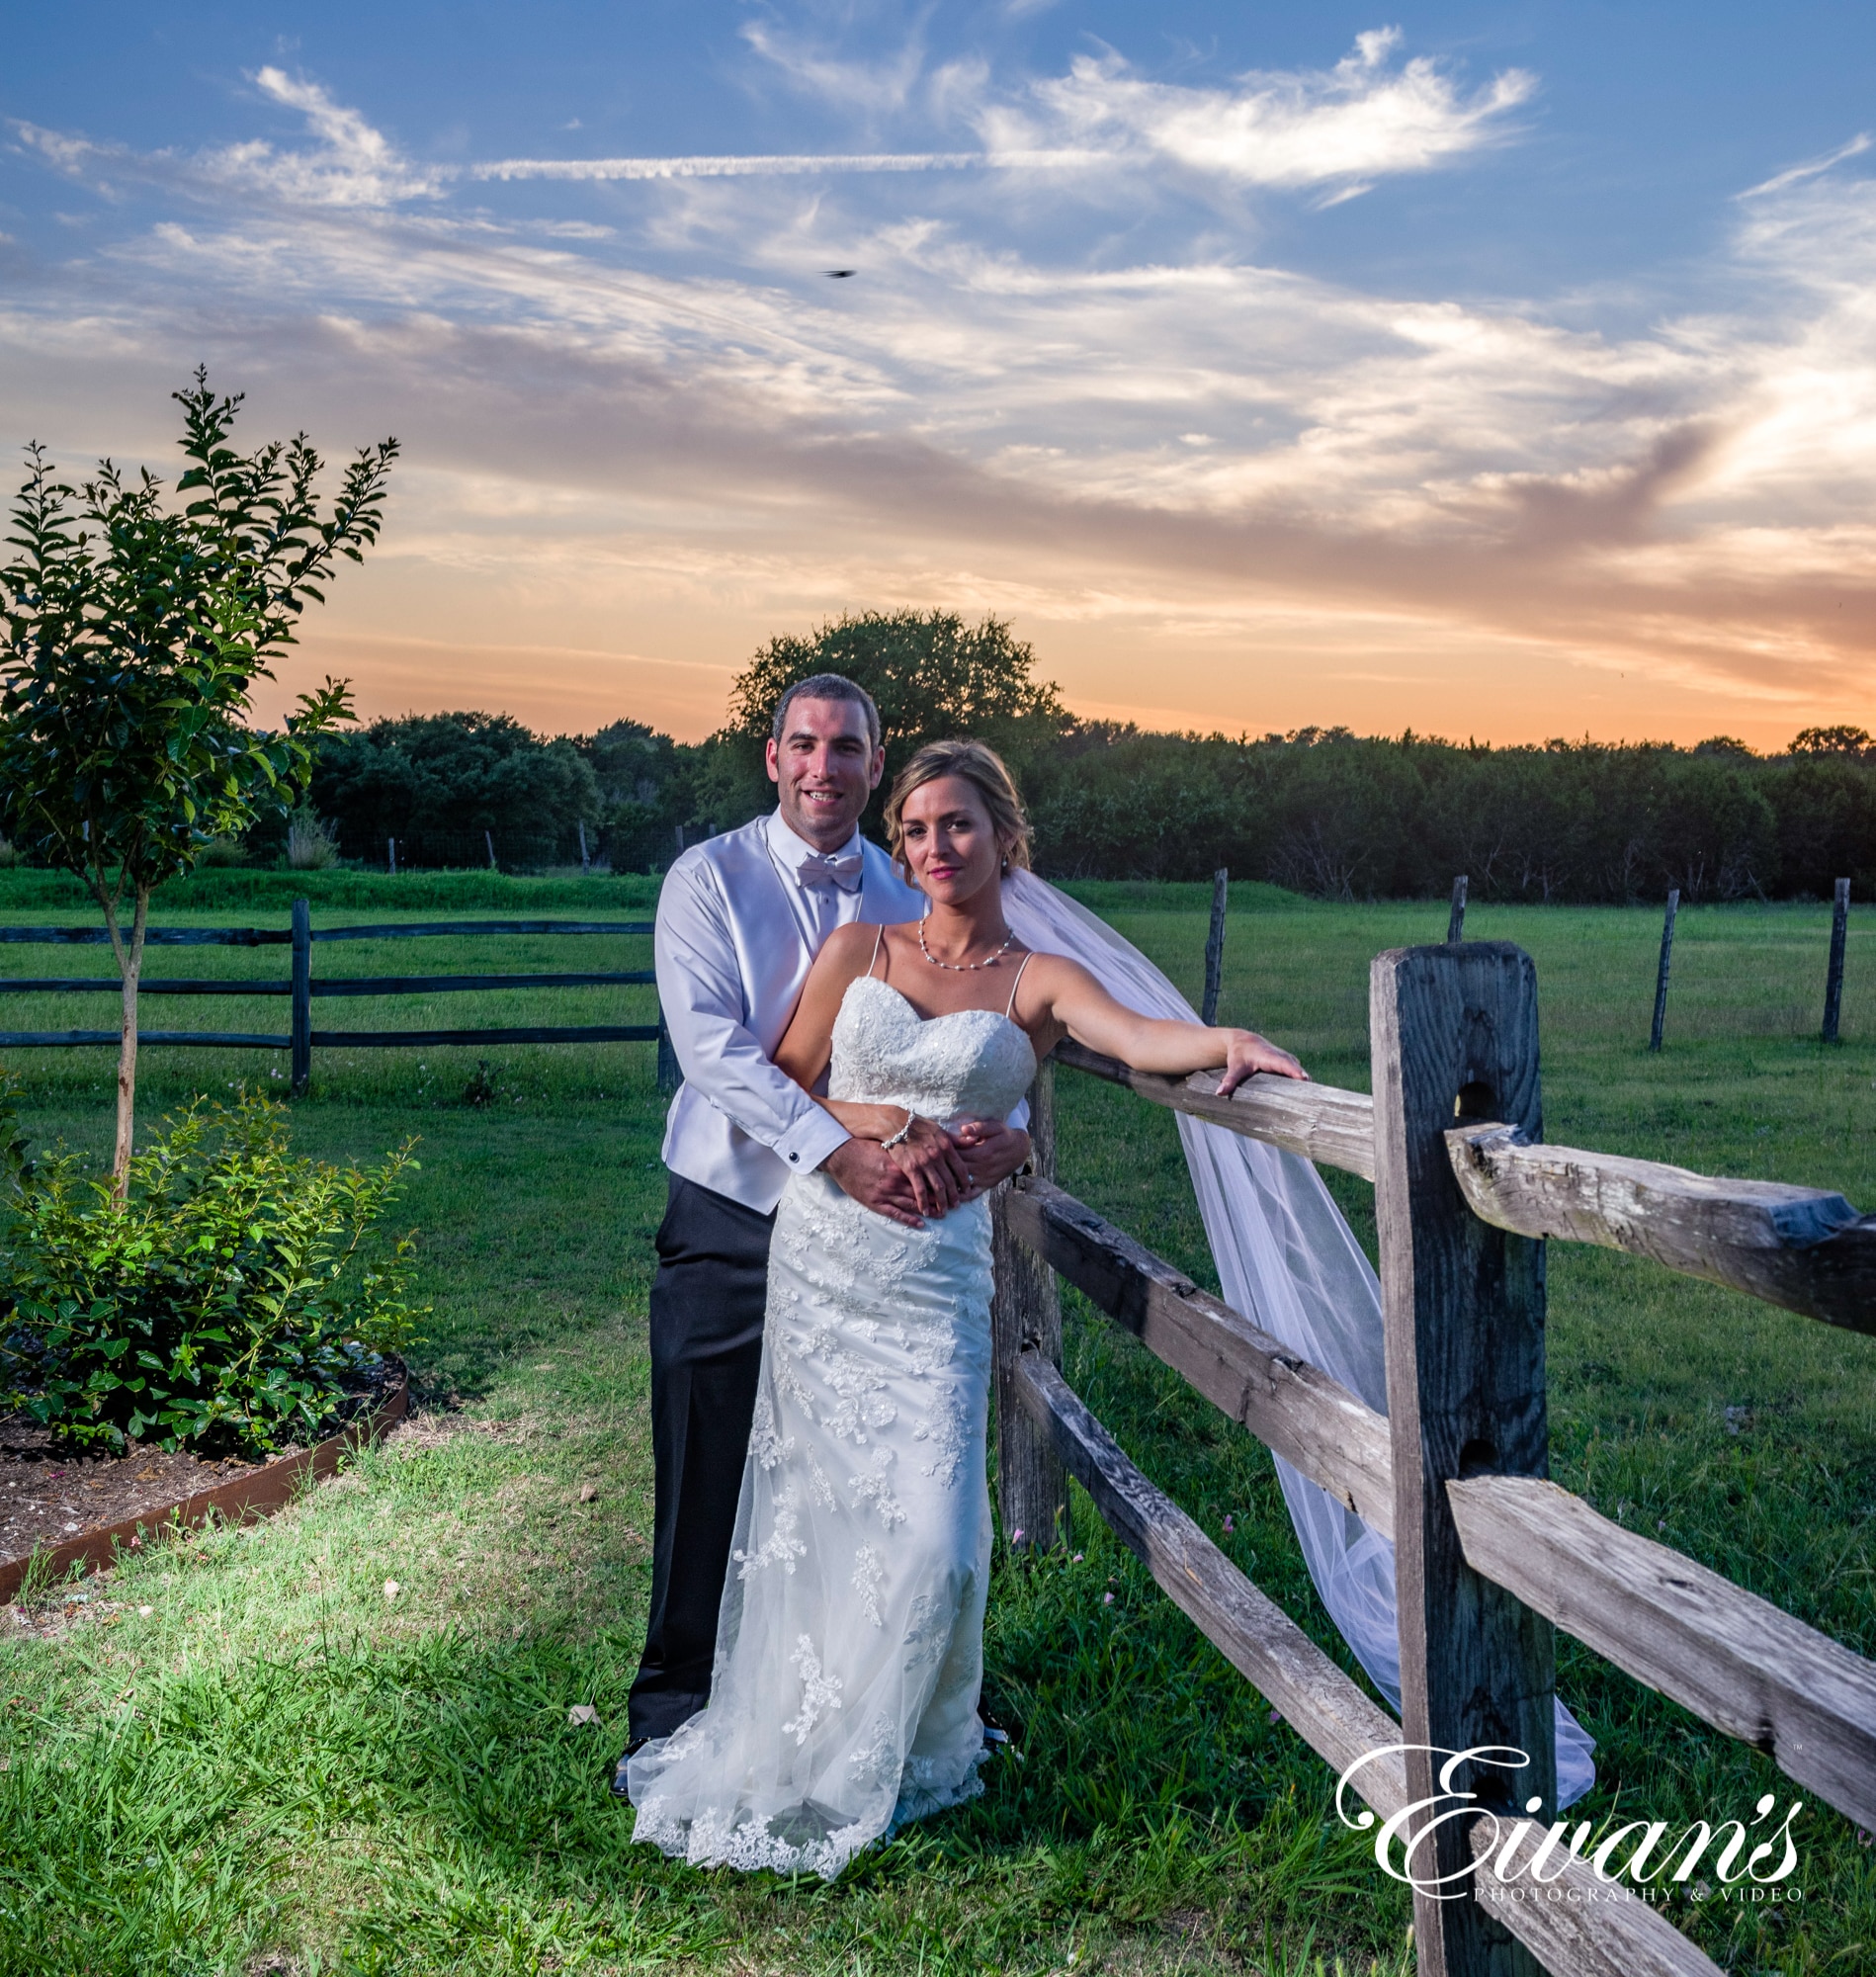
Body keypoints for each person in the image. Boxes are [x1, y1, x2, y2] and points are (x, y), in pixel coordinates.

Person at [623, 738, 1309, 1876]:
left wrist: (1221, 1042)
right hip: (830, 1255)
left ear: (1001, 834)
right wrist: (889, 1127)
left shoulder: (1035, 978)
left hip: (937, 1275)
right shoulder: (860, 946)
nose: (932, 847)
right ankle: (809, 1737)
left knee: (936, 1536)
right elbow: (792, 1077)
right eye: (915, 830)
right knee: (824, 1502)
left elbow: (1134, 1036)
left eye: (954, 825)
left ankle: (913, 1734)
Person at [620, 679, 1034, 1776]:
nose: (822, 766)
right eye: (802, 743)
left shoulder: (914, 878)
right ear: (770, 756)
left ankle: (892, 1699)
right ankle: (672, 1704)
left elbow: (984, 1014)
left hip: (873, 1233)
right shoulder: (706, 878)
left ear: (872, 760)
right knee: (704, 1454)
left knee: (873, 1466)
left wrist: (1013, 1129)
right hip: (731, 1204)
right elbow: (712, 1050)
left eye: (845, 747)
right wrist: (836, 1142)